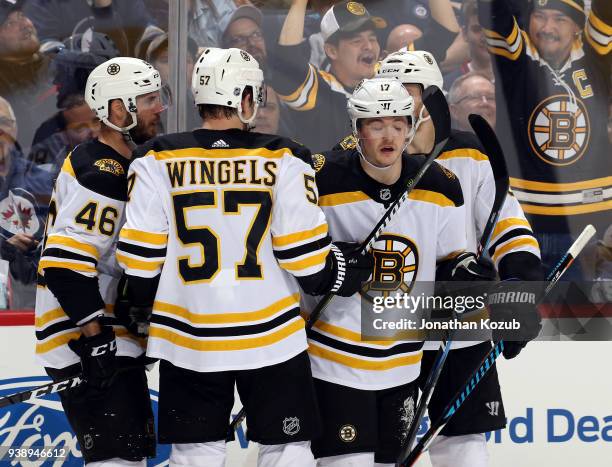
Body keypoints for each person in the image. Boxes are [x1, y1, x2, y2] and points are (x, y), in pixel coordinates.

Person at [116, 47, 372, 467]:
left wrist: (140, 308)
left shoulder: (156, 158)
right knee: (286, 450)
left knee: (194, 454)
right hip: (271, 337)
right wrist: (340, 269)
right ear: (245, 99)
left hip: (188, 337)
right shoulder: (285, 156)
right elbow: (304, 259)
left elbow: (141, 260)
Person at [377, 50, 543, 466]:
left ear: (432, 97)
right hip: (391, 320)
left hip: (460, 317)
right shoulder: (366, 156)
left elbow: (506, 223)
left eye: (406, 92)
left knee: (463, 445)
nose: (395, 103)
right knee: (381, 451)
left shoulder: (469, 154)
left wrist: (518, 286)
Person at [303, 77, 466, 466]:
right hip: (334, 361)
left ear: (411, 128)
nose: (389, 135)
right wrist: (330, 264)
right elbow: (294, 258)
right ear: (357, 130)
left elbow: (451, 261)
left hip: (405, 363)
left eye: (398, 124)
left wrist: (468, 273)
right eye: (376, 125)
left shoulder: (440, 184)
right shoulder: (320, 180)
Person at [35, 57, 165, 465]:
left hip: (104, 338)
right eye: (147, 99)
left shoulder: (116, 163)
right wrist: (95, 339)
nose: (159, 107)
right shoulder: (102, 172)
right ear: (117, 109)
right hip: (84, 340)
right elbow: (63, 263)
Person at [477, 0, 611, 277]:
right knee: (519, 316)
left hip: (586, 230)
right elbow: (494, 11)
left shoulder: (595, 55)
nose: (548, 28)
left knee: (575, 317)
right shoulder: (515, 58)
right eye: (540, 16)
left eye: (560, 19)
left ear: (577, 26)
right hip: (523, 226)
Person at [0, 0, 56, 150]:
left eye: (22, 16)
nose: (24, 25)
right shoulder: (3, 90)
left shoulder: (62, 64)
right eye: (9, 24)